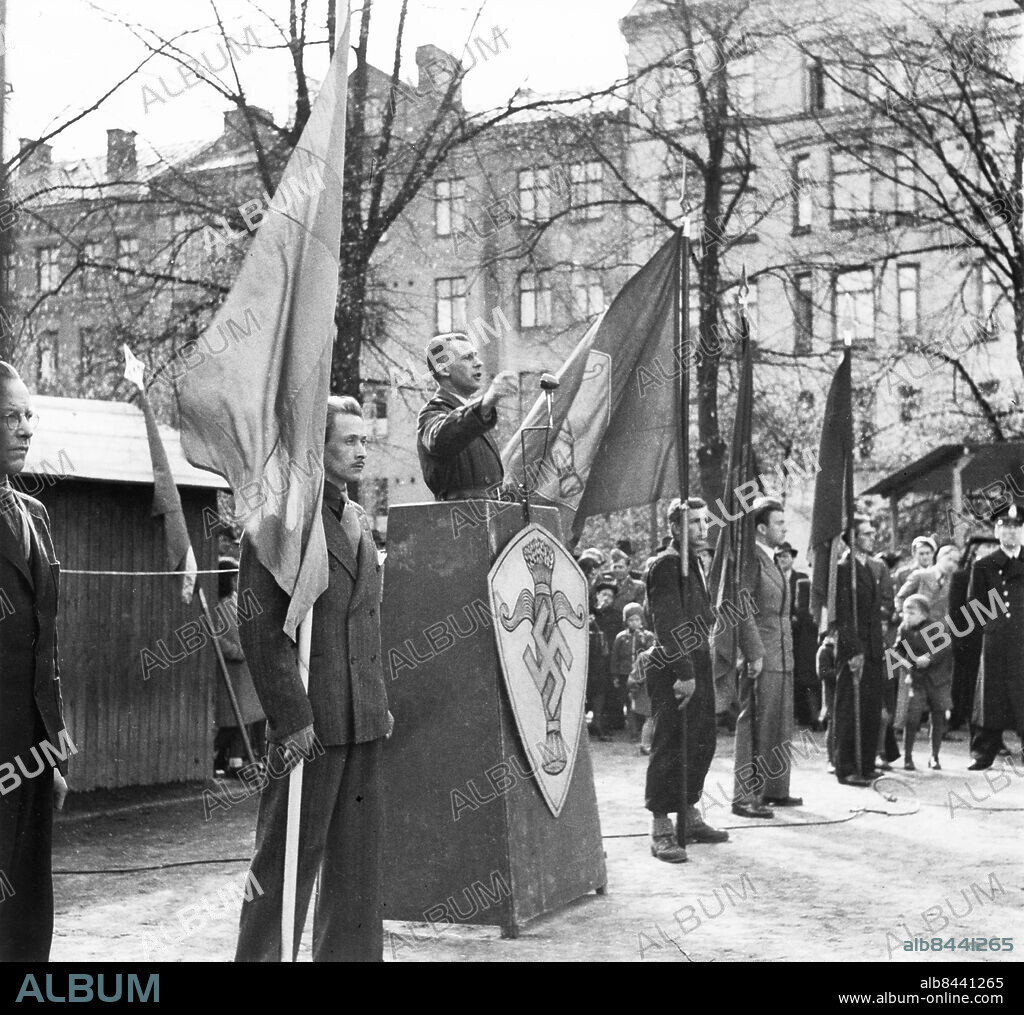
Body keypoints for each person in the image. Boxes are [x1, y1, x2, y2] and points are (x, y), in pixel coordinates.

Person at [235, 396, 393, 962]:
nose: (360, 449)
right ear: (315, 448)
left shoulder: (354, 518)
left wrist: (376, 706)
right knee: (285, 864)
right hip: (310, 723)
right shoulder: (283, 520)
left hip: (360, 721)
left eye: (364, 440)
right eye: (347, 440)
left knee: (357, 871)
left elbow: (365, 621)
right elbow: (258, 625)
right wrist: (292, 716)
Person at [0, 361, 71, 962]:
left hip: (33, 754)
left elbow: (47, 645)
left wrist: (56, 750)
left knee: (27, 911)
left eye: (29, 415)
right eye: (10, 417)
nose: (25, 428)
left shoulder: (35, 515)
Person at [644, 497, 728, 862]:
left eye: (703, 521)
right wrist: (684, 673)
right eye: (692, 522)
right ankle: (661, 827)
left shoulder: (693, 563)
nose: (701, 528)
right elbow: (668, 623)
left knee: (700, 741)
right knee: (670, 743)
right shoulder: (665, 566)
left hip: (697, 662)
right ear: (675, 529)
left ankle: (689, 813)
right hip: (674, 667)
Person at [731, 498, 801, 818]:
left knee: (779, 723)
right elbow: (740, 609)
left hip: (782, 654)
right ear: (761, 528)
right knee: (754, 723)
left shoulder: (773, 560)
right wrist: (753, 652)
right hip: (761, 654)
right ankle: (745, 795)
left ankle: (773, 788)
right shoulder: (751, 560)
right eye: (778, 523)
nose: (784, 528)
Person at [416, 332, 518, 501]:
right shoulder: (431, 414)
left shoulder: (474, 418)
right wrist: (486, 401)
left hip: (483, 520)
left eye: (475, 356)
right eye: (467, 358)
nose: (479, 363)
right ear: (444, 368)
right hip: (456, 522)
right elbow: (442, 437)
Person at [966, 503, 1024, 770]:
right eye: (1005, 527)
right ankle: (984, 752)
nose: (1011, 533)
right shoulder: (984, 565)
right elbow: (974, 605)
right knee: (990, 694)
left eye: (1016, 527)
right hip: (997, 639)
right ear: (997, 532)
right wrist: (992, 626)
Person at [832, 515, 885, 786]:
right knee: (849, 708)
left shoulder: (869, 567)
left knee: (870, 708)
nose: (872, 536)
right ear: (852, 539)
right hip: (855, 648)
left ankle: (866, 763)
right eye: (866, 533)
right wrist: (853, 650)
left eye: (872, 532)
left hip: (874, 647)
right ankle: (846, 766)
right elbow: (843, 614)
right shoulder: (845, 568)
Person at [213, 557, 266, 777]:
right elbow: (215, 638)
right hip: (230, 669)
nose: (237, 582)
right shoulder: (215, 606)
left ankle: (236, 760)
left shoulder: (237, 600)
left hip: (245, 670)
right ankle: (220, 758)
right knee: (232, 718)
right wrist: (237, 651)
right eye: (233, 578)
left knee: (245, 716)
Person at [891, 594, 951, 771]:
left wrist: (929, 658)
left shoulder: (936, 627)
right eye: (905, 612)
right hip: (917, 679)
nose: (907, 616)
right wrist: (905, 664)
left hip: (938, 680)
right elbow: (898, 650)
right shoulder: (904, 629)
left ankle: (934, 756)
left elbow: (945, 648)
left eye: (912, 612)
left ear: (924, 614)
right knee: (912, 718)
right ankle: (908, 757)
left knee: (938, 716)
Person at [776, 542, 819, 729]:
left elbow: (806, 606)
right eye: (779, 557)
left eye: (786, 556)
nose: (783, 560)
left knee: (804, 673)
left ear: (792, 558)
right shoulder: (775, 578)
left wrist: (797, 616)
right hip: (782, 631)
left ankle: (807, 715)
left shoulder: (801, 579)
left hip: (802, 634)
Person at [611, 603, 655, 750]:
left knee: (642, 702)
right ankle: (633, 732)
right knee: (629, 703)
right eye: (631, 620)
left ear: (642, 620)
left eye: (637, 620)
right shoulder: (621, 637)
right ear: (626, 621)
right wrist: (615, 675)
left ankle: (645, 733)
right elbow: (615, 658)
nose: (634, 623)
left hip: (642, 675)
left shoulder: (648, 636)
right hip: (625, 673)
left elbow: (652, 653)